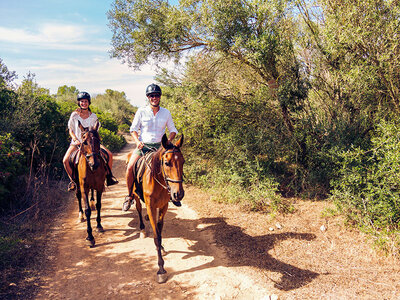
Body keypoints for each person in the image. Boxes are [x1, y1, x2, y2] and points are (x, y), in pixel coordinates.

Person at [122, 83, 178, 211]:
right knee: (130, 167)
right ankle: (129, 195)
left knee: (173, 166)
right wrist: (137, 141)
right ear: (148, 97)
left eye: (156, 95)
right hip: (144, 146)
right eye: (152, 95)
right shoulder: (141, 111)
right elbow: (133, 129)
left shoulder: (166, 112)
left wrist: (168, 141)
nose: (154, 98)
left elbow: (173, 130)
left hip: (160, 148)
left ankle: (172, 195)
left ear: (160, 97)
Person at [63, 91, 118, 191]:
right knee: (65, 160)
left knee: (109, 155)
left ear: (89, 103)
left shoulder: (93, 116)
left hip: (91, 143)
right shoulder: (74, 115)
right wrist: (75, 139)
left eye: (86, 101)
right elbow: (70, 130)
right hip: (77, 143)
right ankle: (73, 181)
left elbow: (95, 131)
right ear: (79, 103)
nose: (84, 103)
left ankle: (108, 177)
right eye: (82, 101)